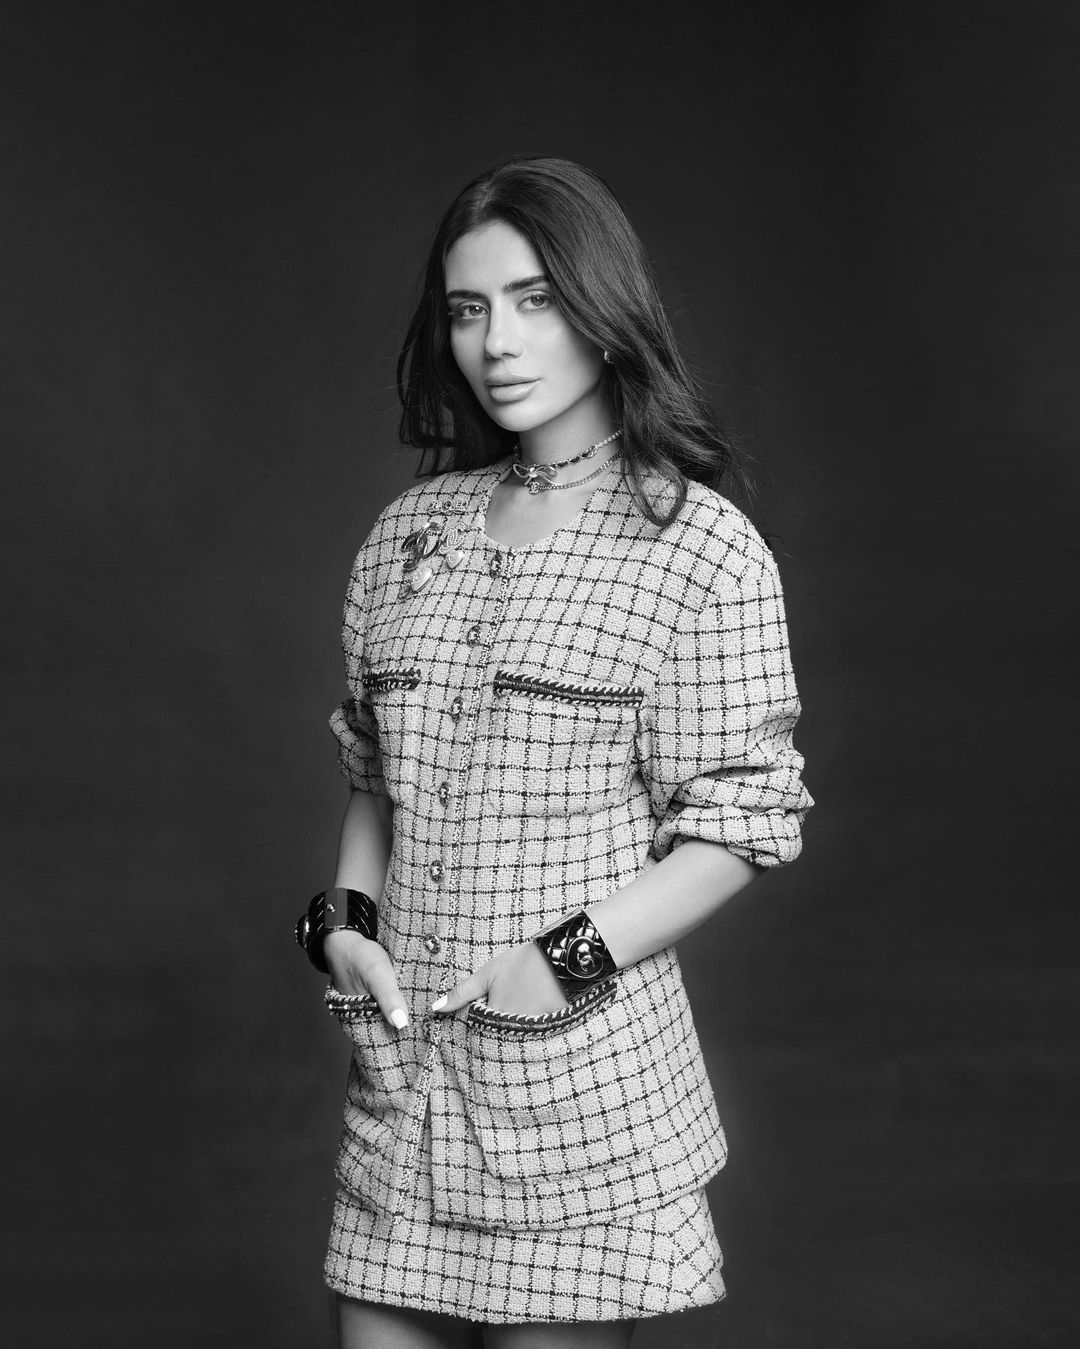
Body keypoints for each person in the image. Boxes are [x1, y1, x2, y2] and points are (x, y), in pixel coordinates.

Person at [295, 155, 813, 1349]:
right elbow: (376, 775)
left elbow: (744, 820)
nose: (498, 342)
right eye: (468, 308)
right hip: (405, 1101)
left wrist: (563, 959)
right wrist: (342, 927)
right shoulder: (408, 536)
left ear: (601, 306)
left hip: (578, 1098)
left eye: (535, 300)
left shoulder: (699, 547)